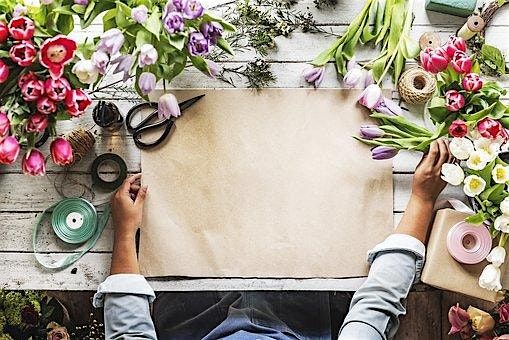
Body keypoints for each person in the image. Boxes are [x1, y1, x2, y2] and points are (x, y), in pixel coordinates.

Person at [93, 139, 453, 340]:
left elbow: (128, 333)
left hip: (194, 314)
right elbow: (377, 304)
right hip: (303, 311)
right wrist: (421, 199)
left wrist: (125, 232)